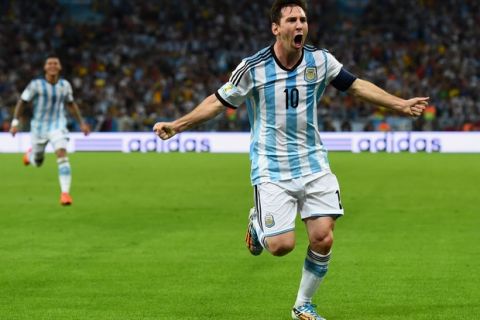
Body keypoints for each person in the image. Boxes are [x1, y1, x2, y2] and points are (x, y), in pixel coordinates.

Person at [153, 1, 428, 319]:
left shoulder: (320, 60)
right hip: (271, 167)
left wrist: (400, 104)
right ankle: (258, 223)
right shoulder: (253, 68)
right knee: (281, 246)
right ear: (276, 28)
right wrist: (178, 125)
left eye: (304, 20)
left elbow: (355, 86)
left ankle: (302, 306)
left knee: (323, 236)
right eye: (292, 20)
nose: (300, 25)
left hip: (313, 163)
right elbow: (217, 102)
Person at [10, 54, 90, 206]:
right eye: (50, 63)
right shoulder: (36, 85)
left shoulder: (65, 85)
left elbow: (71, 104)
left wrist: (82, 123)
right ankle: (30, 156)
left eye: (56, 63)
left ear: (59, 67)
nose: (53, 65)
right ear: (45, 67)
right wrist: (15, 122)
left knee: (61, 153)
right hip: (39, 128)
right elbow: (22, 101)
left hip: (58, 125)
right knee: (38, 161)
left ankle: (65, 194)